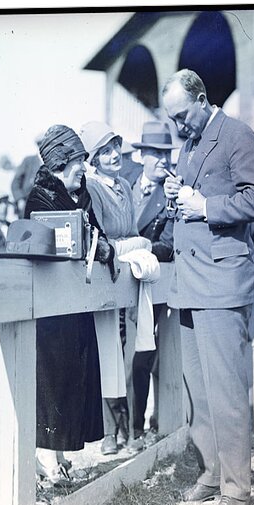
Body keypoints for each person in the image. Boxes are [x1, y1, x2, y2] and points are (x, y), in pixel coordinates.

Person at [162, 69, 254, 505]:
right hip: (190, 283)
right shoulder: (189, 145)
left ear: (203, 99)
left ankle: (237, 488)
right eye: (171, 120)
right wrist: (178, 196)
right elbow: (195, 201)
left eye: (182, 116)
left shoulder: (236, 135)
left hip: (223, 283)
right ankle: (212, 471)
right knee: (199, 391)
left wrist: (205, 206)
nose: (178, 127)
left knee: (226, 390)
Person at [23, 124, 116, 484]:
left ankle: (58, 457)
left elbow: (95, 234)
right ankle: (46, 458)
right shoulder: (40, 198)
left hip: (76, 306)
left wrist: (102, 246)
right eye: (79, 160)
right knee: (52, 382)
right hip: (52, 310)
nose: (85, 168)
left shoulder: (83, 196)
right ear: (62, 162)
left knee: (71, 382)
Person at [80, 121, 142, 456]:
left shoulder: (126, 188)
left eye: (115, 147)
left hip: (127, 280)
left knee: (128, 350)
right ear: (94, 159)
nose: (114, 155)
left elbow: (130, 233)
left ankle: (130, 428)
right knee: (106, 352)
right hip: (104, 280)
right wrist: (133, 244)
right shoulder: (92, 188)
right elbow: (104, 243)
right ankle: (108, 431)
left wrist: (131, 244)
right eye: (105, 151)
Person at [128, 121, 177, 448]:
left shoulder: (172, 191)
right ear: (141, 155)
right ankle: (113, 430)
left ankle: (136, 429)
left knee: (142, 357)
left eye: (166, 154)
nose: (163, 160)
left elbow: (170, 243)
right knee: (115, 357)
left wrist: (142, 249)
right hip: (117, 283)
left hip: (150, 284)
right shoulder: (123, 184)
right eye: (156, 153)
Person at [11, 134, 42, 218]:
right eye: (41, 144)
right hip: (27, 202)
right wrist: (20, 199)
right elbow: (15, 183)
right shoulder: (28, 161)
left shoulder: (52, 163)